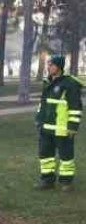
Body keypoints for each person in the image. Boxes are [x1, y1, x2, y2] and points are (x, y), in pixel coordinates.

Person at [35, 55, 83, 192]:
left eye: (52, 64)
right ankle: (47, 180)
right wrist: (38, 120)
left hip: (62, 129)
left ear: (59, 67)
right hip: (45, 128)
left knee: (66, 156)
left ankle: (66, 182)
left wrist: (72, 127)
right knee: (45, 156)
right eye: (48, 64)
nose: (48, 67)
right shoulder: (47, 82)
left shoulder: (69, 84)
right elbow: (43, 104)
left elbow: (75, 108)